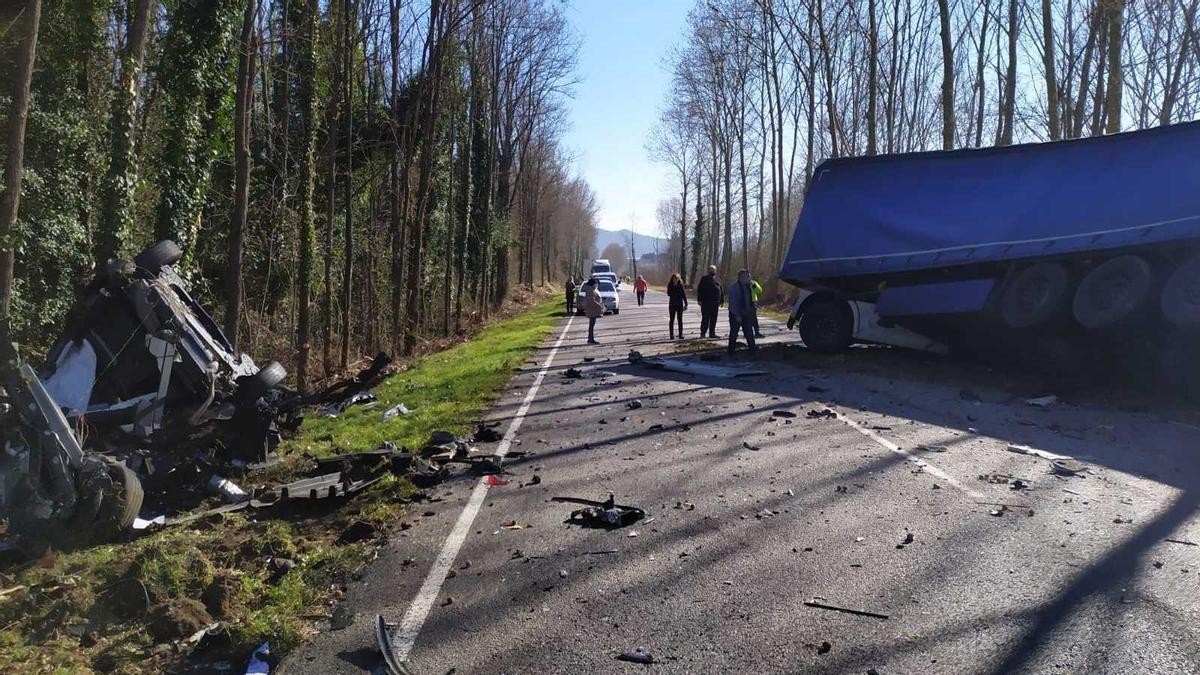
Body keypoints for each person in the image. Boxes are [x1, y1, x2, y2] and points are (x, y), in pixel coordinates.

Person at [726, 269, 758, 355]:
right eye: (746, 276)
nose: (748, 278)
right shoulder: (733, 288)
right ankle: (730, 352)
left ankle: (753, 351)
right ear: (740, 277)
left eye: (749, 276)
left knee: (749, 333)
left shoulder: (750, 286)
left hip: (747, 314)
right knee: (734, 333)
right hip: (736, 314)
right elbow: (733, 303)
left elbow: (758, 292)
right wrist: (737, 315)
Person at [696, 265, 723, 338]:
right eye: (711, 270)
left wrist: (722, 300)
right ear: (708, 271)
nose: (712, 271)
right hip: (706, 302)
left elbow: (721, 290)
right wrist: (699, 299)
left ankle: (712, 333)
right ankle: (703, 333)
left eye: (714, 270)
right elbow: (700, 289)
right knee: (705, 318)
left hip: (715, 303)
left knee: (714, 319)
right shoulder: (704, 279)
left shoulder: (718, 279)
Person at [666, 273, 688, 339]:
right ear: (672, 279)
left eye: (676, 279)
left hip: (679, 305)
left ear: (679, 279)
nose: (675, 280)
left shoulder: (681, 285)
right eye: (674, 279)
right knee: (672, 320)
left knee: (680, 320)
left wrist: (686, 304)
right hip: (672, 304)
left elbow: (684, 295)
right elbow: (668, 294)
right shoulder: (670, 285)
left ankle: (680, 334)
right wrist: (673, 287)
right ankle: (671, 335)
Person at [583, 277, 603, 344]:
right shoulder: (590, 290)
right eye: (596, 283)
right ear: (593, 284)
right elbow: (591, 301)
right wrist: (599, 306)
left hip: (592, 309)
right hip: (591, 310)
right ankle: (590, 339)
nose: (597, 285)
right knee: (591, 325)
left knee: (592, 325)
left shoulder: (592, 289)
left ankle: (591, 338)